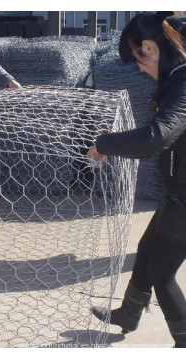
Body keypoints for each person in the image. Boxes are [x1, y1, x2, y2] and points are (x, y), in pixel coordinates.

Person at [87, 12, 186, 348]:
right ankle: (129, 314)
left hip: (184, 200)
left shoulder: (185, 81)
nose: (141, 70)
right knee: (146, 250)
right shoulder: (178, 78)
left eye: (138, 62)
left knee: (163, 274)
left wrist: (104, 143)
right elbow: (162, 140)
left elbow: (156, 138)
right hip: (178, 193)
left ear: (150, 47)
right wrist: (117, 144)